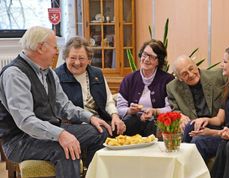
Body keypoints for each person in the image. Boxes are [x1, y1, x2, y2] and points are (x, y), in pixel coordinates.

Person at [0, 26, 112, 178]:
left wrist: (90, 118)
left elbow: (64, 106)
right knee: (66, 150)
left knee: (99, 132)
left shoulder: (49, 73)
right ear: (41, 47)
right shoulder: (15, 75)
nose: (56, 52)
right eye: (54, 47)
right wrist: (61, 134)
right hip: (19, 140)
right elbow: (25, 121)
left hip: (48, 131)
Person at [186, 45, 229, 162]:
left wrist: (213, 133)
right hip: (223, 130)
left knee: (198, 141)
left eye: (225, 61)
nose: (221, 65)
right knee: (191, 125)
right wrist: (206, 120)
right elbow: (219, 119)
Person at [55, 36, 125, 135]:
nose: (77, 62)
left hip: (100, 120)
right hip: (74, 125)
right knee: (101, 132)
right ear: (65, 58)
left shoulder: (97, 74)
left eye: (82, 58)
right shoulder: (56, 77)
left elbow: (108, 102)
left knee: (125, 125)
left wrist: (115, 116)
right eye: (73, 58)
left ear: (89, 59)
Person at [116, 39, 174, 136]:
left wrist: (155, 111)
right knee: (129, 122)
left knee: (153, 126)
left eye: (151, 57)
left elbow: (171, 108)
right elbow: (119, 108)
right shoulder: (129, 79)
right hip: (133, 120)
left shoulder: (167, 80)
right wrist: (130, 111)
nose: (146, 59)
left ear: (158, 61)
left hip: (157, 121)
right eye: (145, 54)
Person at [166, 55, 226, 133]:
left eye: (191, 69)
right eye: (184, 74)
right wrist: (180, 116)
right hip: (192, 126)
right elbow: (175, 110)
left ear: (196, 65)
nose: (191, 75)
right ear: (179, 78)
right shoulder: (172, 87)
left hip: (216, 124)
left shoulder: (218, 76)